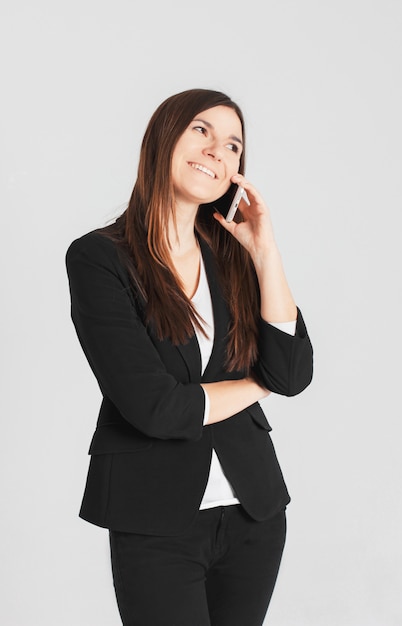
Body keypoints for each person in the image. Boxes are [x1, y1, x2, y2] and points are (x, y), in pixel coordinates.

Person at [66, 88, 313, 626]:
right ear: (164, 137)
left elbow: (292, 370)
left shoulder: (233, 258)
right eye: (201, 130)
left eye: (232, 146)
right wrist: (257, 384)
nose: (216, 152)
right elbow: (156, 408)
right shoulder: (100, 259)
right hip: (155, 519)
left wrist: (265, 249)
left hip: (254, 515)